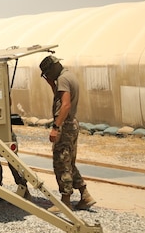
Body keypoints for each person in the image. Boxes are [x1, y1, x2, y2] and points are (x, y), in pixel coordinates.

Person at [39, 55, 96, 212]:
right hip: (71, 125)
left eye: (46, 73)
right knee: (69, 162)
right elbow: (60, 97)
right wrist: (52, 85)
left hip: (64, 126)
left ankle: (65, 201)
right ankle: (85, 195)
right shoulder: (68, 76)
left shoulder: (63, 79)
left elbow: (65, 105)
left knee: (61, 163)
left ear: (51, 69)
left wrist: (56, 127)